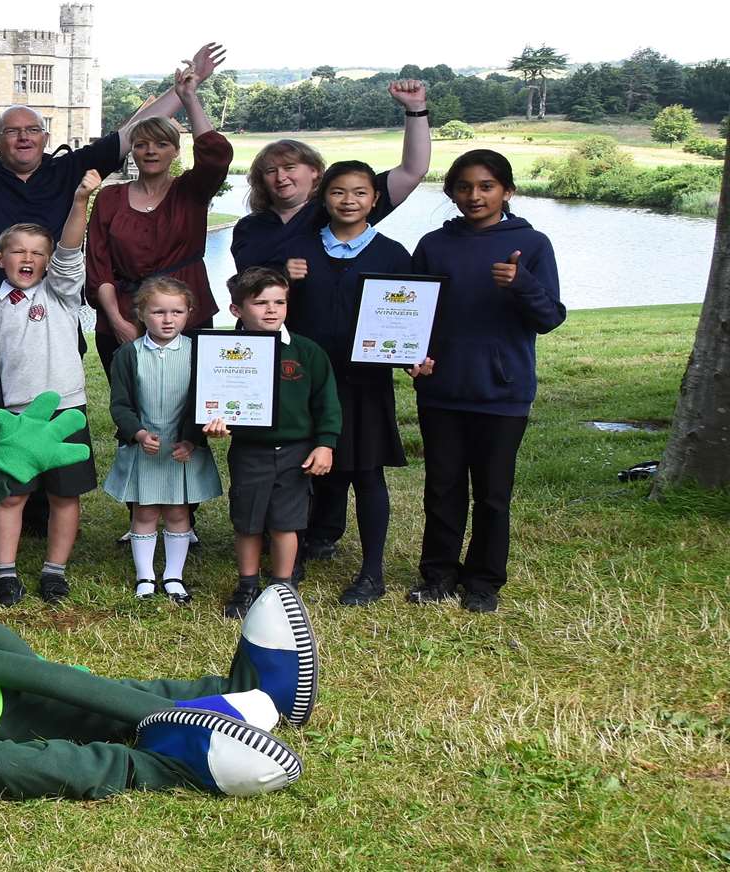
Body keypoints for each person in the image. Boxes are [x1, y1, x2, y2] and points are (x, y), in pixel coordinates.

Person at [0, 33, 222, 308]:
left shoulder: (70, 168)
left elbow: (134, 132)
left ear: (46, 138)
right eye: (12, 131)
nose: (24, 136)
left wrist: (184, 92)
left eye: (33, 130)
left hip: (55, 309)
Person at [407, 149, 564, 613]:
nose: (474, 196)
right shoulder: (434, 244)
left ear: (507, 192)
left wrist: (521, 284)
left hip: (502, 392)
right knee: (442, 488)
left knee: (493, 494)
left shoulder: (532, 244)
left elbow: (550, 317)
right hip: (441, 390)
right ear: (452, 192)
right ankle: (437, 575)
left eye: (486, 186)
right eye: (464, 187)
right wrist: (410, 358)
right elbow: (410, 316)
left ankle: (484, 582)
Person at [279, 161, 434, 605]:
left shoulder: (392, 254)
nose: (349, 201)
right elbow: (267, 305)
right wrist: (286, 277)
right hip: (305, 382)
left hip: (364, 381)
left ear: (375, 199)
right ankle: (296, 554)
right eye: (338, 192)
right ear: (323, 197)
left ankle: (371, 573)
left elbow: (412, 318)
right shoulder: (299, 249)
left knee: (367, 474)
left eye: (360, 193)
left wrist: (413, 355)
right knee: (300, 470)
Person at [0, 171, 101, 607]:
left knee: (65, 494)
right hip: (16, 417)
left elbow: (69, 252)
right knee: (11, 496)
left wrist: (80, 200)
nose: (29, 259)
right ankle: (6, 573)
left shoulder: (61, 294)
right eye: (18, 252)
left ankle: (54, 571)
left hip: (65, 412)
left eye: (38, 254)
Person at [203, 266, 341, 619]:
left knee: (286, 522)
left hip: (296, 452)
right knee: (248, 522)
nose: (271, 310)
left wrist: (325, 444)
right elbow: (210, 399)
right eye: (260, 302)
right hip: (250, 451)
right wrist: (215, 423)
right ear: (236, 310)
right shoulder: (222, 353)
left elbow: (327, 403)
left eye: (279, 302)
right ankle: (247, 584)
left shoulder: (307, 352)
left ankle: (283, 588)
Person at [88, 63, 233, 372]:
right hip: (125, 317)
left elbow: (215, 156)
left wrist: (189, 97)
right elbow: (99, 267)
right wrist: (117, 321)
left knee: (187, 407)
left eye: (161, 144)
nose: (150, 151)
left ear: (176, 151)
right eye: (141, 145)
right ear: (133, 152)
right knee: (131, 408)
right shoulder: (110, 198)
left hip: (186, 316)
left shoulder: (191, 192)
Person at [230, 79, 432, 271]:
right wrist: (283, 272)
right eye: (270, 171)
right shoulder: (249, 228)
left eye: (289, 167)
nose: (281, 177)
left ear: (314, 170)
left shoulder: (337, 207)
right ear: (261, 180)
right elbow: (246, 285)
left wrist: (415, 109)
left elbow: (412, 171)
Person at [102, 277, 220, 603]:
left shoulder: (201, 353)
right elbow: (120, 405)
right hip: (146, 446)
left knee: (179, 512)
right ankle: (144, 577)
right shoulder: (128, 354)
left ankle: (173, 576)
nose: (167, 320)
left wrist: (192, 440)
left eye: (176, 312)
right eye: (158, 312)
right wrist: (138, 433)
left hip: (182, 449)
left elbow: (205, 400)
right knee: (144, 512)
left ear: (189, 313)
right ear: (141, 313)